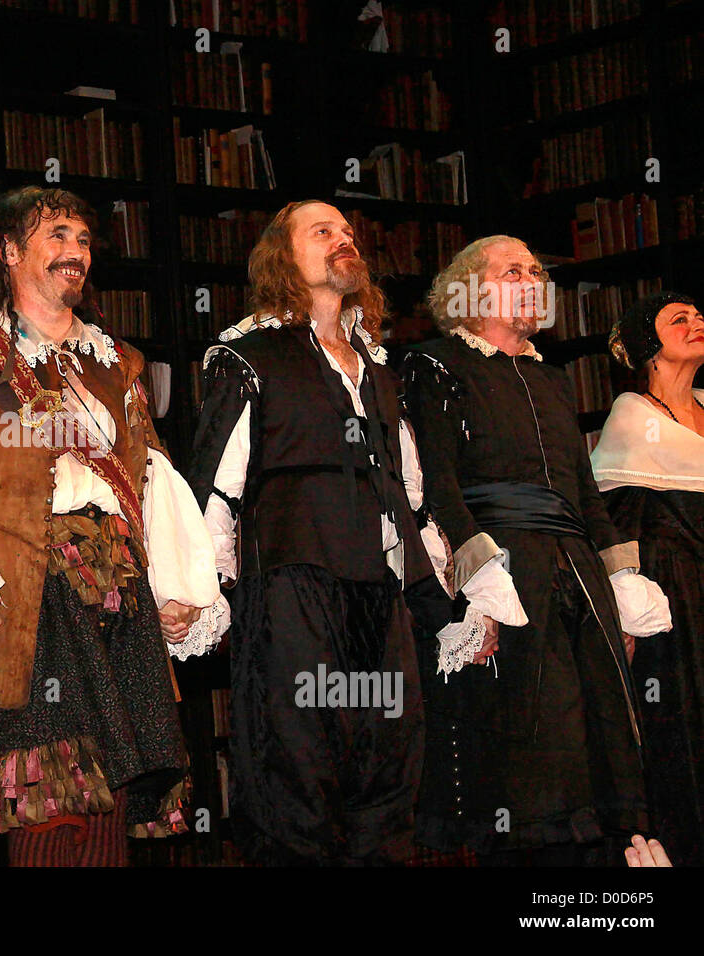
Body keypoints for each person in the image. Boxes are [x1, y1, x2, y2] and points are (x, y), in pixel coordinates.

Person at [0, 186, 226, 866]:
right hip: (21, 599)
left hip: (115, 592)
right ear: (9, 250)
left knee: (108, 793)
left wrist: (177, 582)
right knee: (48, 799)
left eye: (82, 239)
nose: (73, 252)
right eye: (55, 235)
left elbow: (153, 475)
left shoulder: (116, 363)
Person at [188, 200, 456, 865]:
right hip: (292, 593)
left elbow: (412, 496)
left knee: (387, 771)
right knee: (298, 774)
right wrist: (205, 592)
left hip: (378, 602)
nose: (344, 240)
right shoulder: (249, 357)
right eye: (322, 232)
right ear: (284, 256)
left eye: (347, 232)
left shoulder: (380, 371)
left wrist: (445, 602)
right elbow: (217, 488)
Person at [402, 235, 672, 864]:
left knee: (599, 742)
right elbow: (437, 488)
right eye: (513, 270)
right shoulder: (435, 364)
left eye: (535, 269)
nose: (532, 278)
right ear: (469, 291)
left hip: (576, 572)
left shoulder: (552, 378)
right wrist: (478, 595)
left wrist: (621, 592)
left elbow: (587, 498)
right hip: (506, 574)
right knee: (528, 755)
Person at [592, 292, 704, 866]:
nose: (697, 323)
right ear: (648, 349)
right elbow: (615, 525)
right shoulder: (634, 417)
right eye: (677, 319)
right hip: (675, 599)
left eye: (698, 315)